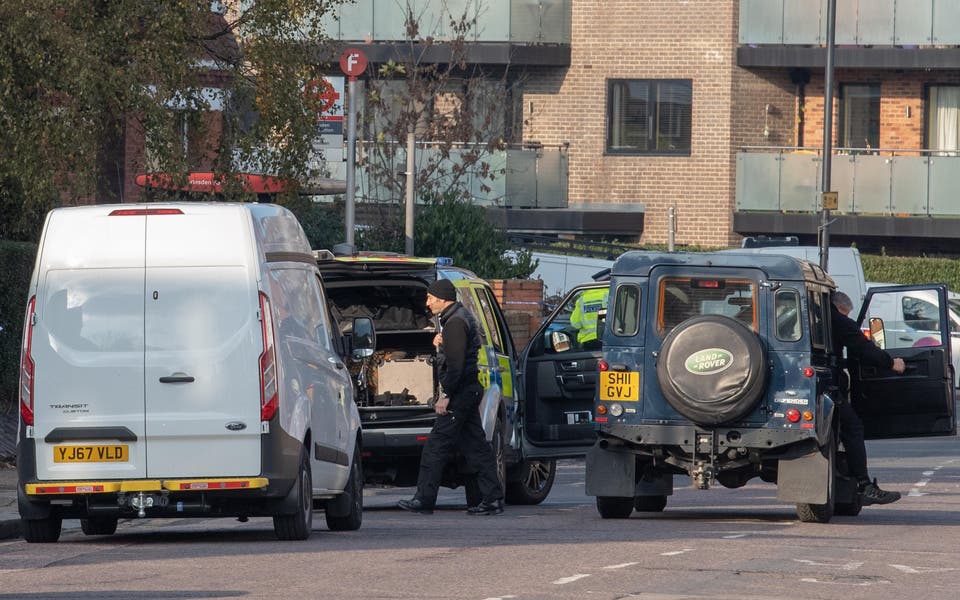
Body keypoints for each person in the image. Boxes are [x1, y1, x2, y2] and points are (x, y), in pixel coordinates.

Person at [398, 279, 505, 516]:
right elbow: (457, 354)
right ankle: (493, 499)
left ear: (442, 299)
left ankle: (424, 500)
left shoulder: (455, 322)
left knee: (436, 446)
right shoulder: (457, 319)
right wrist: (441, 345)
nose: (427, 303)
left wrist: (445, 395)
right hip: (468, 391)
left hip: (460, 394)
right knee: (477, 447)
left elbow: (456, 367)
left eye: (430, 298)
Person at [830, 290, 905, 505]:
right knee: (852, 427)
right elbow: (863, 347)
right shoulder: (836, 319)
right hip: (825, 388)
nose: (846, 317)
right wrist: (891, 363)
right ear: (840, 308)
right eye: (846, 314)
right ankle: (863, 485)